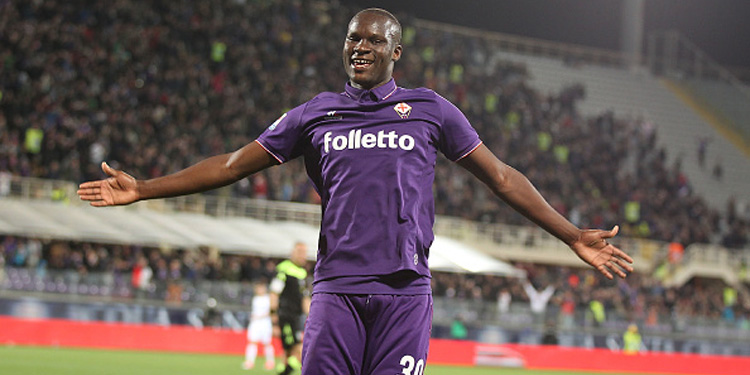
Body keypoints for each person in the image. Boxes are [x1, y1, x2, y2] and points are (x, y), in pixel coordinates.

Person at [77, 8, 634, 374]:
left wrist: (569, 235)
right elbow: (229, 165)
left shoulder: (431, 111)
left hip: (405, 293)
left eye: (373, 40)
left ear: (396, 52)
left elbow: (503, 177)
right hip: (337, 290)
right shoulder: (315, 115)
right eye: (352, 39)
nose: (360, 47)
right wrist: (144, 189)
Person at [270, 242, 311, 375]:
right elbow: (274, 293)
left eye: (304, 252)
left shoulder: (303, 273)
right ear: (292, 253)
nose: (302, 255)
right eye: (299, 252)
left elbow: (305, 298)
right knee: (296, 348)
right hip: (285, 315)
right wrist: (274, 317)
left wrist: (311, 316)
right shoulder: (284, 269)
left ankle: (284, 371)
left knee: (289, 352)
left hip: (297, 317)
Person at [243, 282, 276, 371]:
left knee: (267, 343)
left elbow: (272, 310)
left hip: (265, 323)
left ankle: (270, 362)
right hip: (255, 323)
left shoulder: (268, 298)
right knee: (252, 342)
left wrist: (262, 316)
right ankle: (249, 361)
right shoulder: (255, 299)